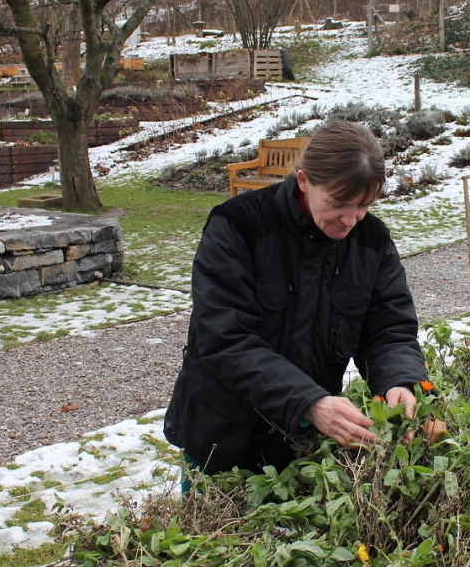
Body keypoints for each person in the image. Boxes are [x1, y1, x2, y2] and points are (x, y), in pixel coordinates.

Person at [163, 120, 429, 482]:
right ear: (304, 181)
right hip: (221, 440)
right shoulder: (239, 227)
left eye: (364, 205)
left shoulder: (371, 241)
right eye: (337, 204)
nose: (351, 219)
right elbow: (224, 339)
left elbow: (389, 330)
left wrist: (398, 381)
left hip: (303, 451)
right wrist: (309, 402)